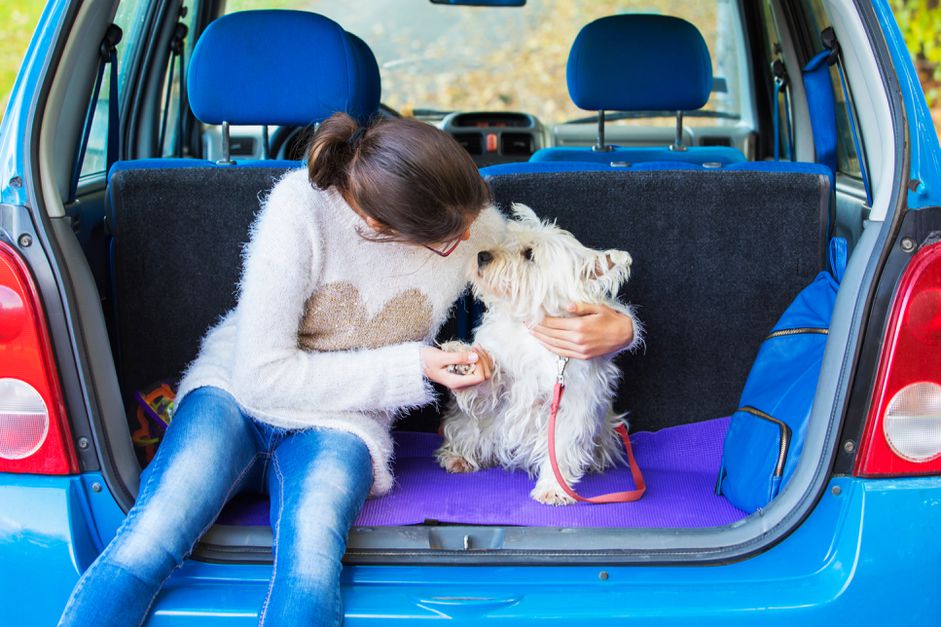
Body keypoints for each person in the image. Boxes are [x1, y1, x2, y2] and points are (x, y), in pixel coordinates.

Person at [58, 112, 637, 627]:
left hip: (344, 420)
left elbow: (546, 269)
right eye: (449, 241)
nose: (471, 244)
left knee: (310, 563)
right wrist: (417, 365)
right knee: (151, 537)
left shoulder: (465, 222)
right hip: (235, 394)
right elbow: (262, 377)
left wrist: (619, 328)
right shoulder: (298, 211)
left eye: (472, 227)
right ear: (386, 229)